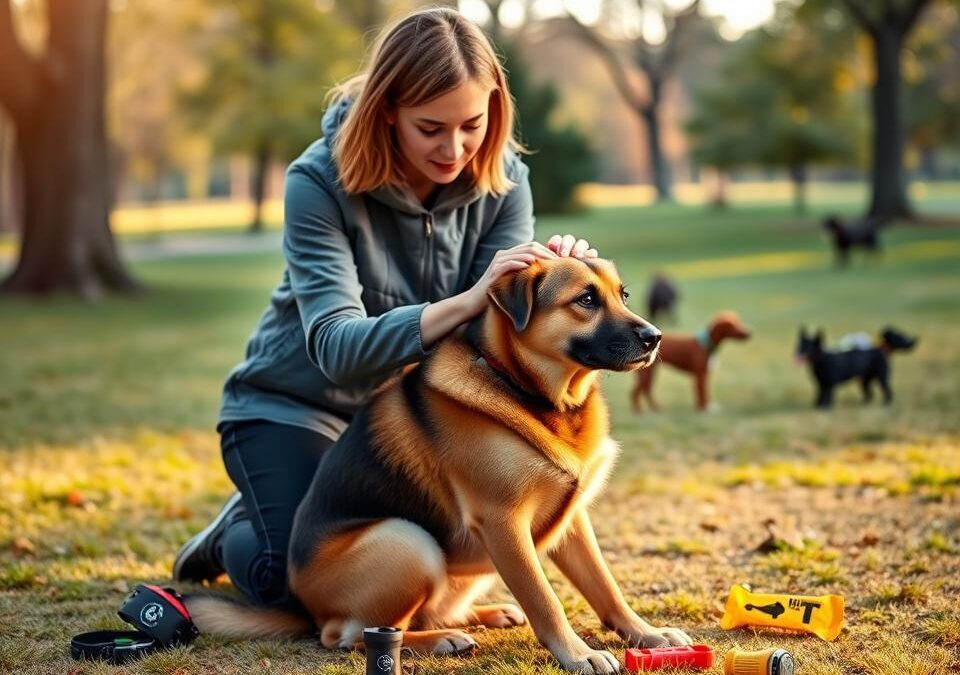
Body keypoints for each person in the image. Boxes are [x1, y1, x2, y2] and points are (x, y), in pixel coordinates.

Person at [172, 7, 598, 607]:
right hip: (297, 408)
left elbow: (493, 332)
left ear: (494, 106)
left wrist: (550, 278)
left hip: (406, 425)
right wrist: (468, 299)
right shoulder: (317, 182)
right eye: (431, 129)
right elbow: (337, 348)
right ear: (388, 111)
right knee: (291, 582)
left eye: (472, 124)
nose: (454, 148)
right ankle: (238, 530)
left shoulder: (505, 181)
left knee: (406, 563)